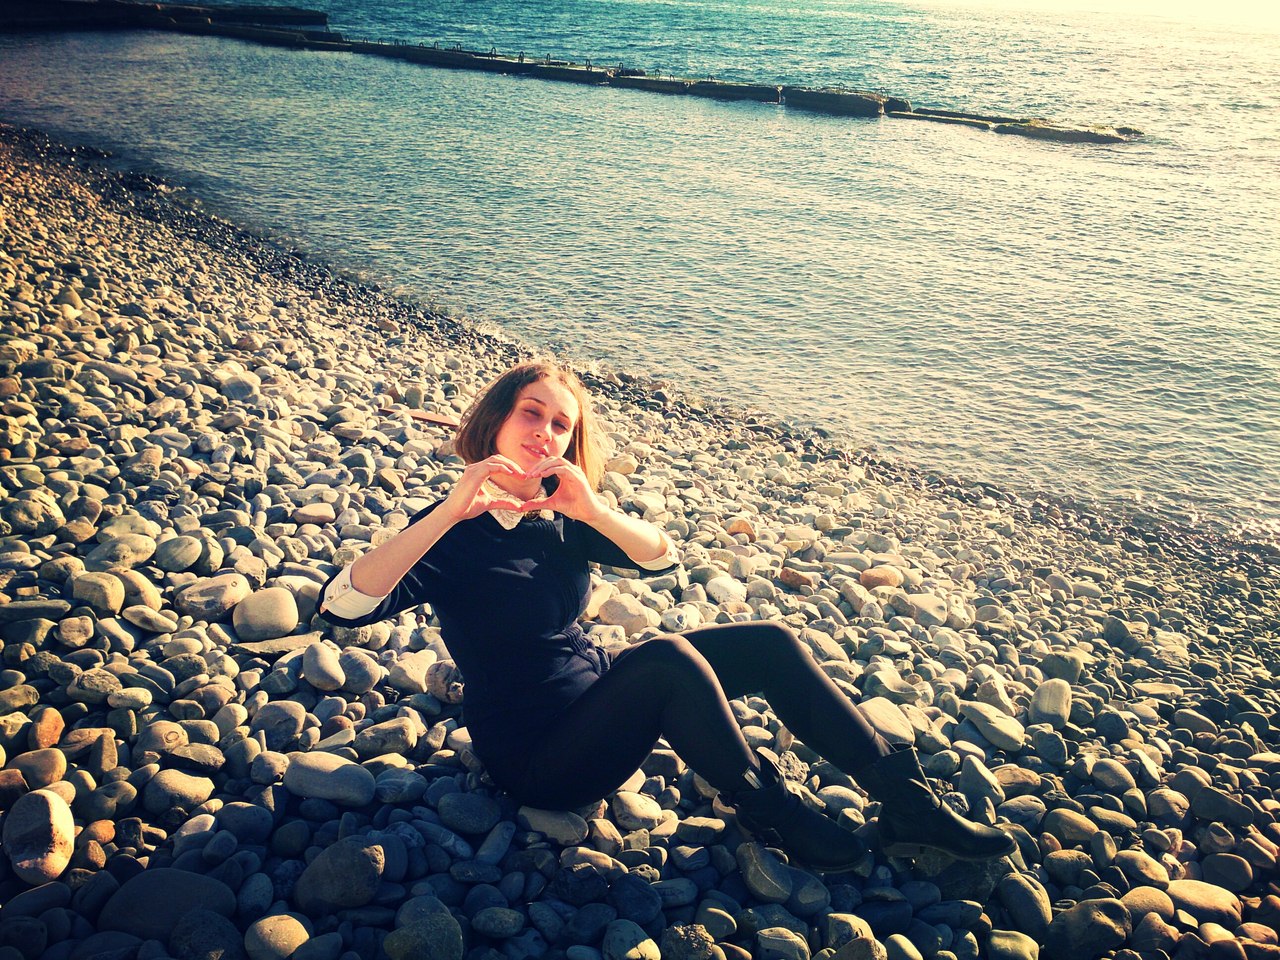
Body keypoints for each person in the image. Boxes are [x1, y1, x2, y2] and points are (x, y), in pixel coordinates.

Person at [318, 360, 1015, 871]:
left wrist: (593, 510)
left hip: (597, 694)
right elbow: (343, 607)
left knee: (770, 642)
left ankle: (910, 805)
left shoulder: (559, 513)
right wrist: (448, 511)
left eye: (561, 424)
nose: (546, 433)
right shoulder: (451, 533)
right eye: (532, 413)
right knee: (666, 661)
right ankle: (773, 813)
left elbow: (660, 560)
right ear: (496, 418)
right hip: (539, 754)